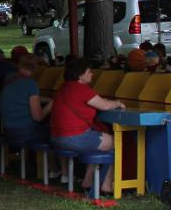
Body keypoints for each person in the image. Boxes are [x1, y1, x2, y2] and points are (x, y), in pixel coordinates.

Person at [49, 57, 125, 195]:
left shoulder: (64, 87)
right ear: (80, 74)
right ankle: (107, 184)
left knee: (99, 141)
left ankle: (88, 180)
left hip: (56, 138)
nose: (92, 74)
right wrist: (118, 103)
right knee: (115, 142)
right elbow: (105, 105)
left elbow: (96, 101)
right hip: (73, 138)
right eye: (89, 71)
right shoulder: (80, 88)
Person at [0, 53, 53, 146]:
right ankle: (45, 160)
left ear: (19, 65)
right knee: (55, 133)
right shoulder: (31, 84)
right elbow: (38, 117)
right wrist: (51, 103)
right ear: (36, 67)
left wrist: (44, 99)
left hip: (7, 130)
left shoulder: (9, 79)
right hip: (24, 132)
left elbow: (21, 96)